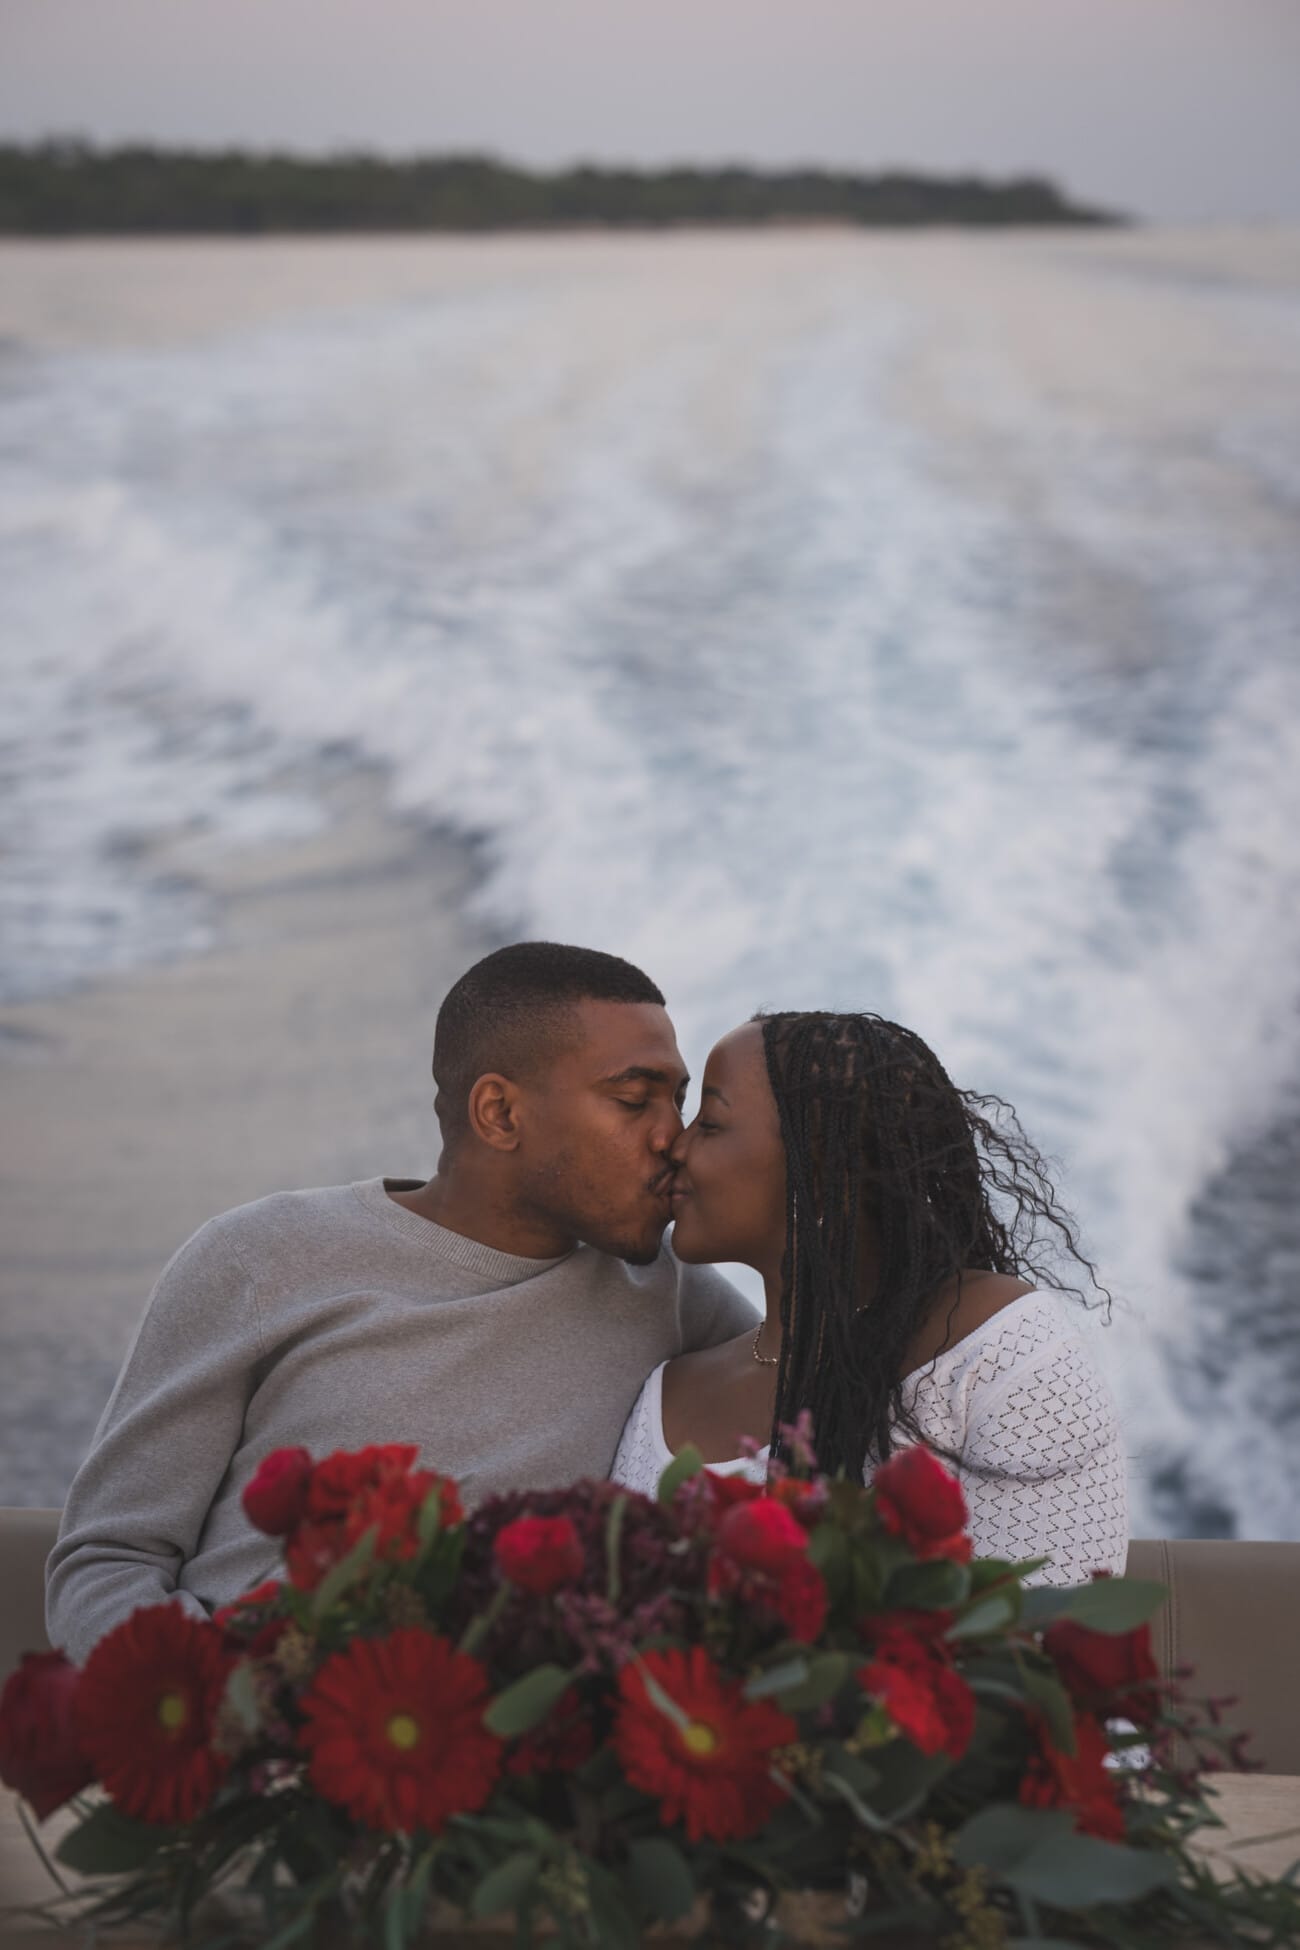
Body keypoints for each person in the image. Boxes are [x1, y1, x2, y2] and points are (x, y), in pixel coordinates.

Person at [46, 943, 757, 1663]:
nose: (674, 1136)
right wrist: (225, 1714)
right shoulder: (258, 1257)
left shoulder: (676, 1300)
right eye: (636, 1100)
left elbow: (826, 1381)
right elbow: (110, 1559)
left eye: (680, 1099)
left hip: (488, 1749)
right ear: (500, 1113)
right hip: (236, 1722)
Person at [611, 1011, 1128, 1584]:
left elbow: (1046, 1634)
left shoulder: (998, 1348)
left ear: (828, 1162)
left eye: (708, 1122)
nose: (675, 1148)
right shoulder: (666, 1395)